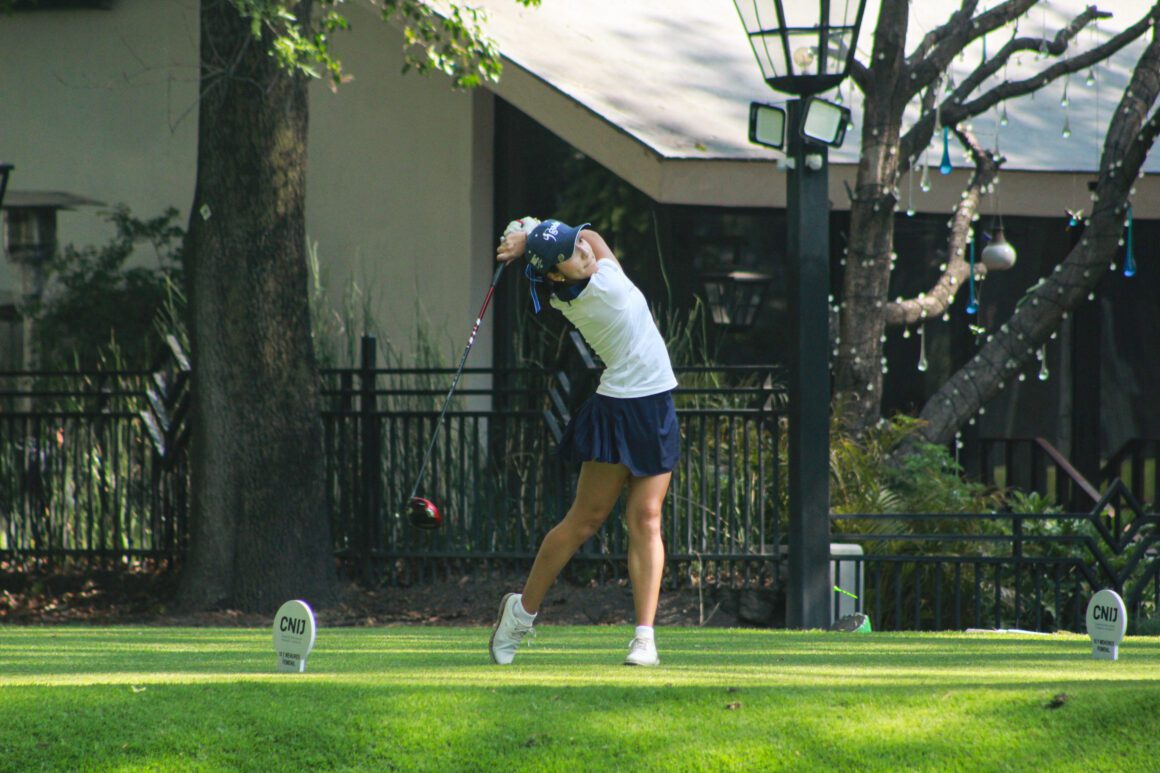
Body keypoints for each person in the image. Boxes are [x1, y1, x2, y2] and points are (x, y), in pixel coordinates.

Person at [489, 217, 679, 667]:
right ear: (557, 277)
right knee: (584, 521)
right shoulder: (589, 292)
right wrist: (531, 236)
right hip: (619, 411)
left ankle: (645, 638)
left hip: (654, 406)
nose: (585, 252)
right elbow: (593, 240)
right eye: (573, 255)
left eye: (579, 246)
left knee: (647, 518)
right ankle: (520, 614)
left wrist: (532, 236)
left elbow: (588, 238)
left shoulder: (588, 270)